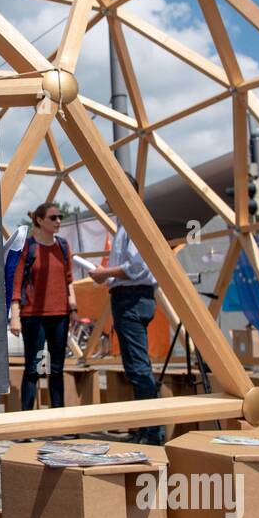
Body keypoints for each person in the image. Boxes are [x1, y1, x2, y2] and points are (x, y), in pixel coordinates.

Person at [89, 181, 162, 444]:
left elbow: (137, 267)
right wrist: (107, 276)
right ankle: (147, 426)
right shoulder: (125, 224)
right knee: (136, 366)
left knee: (139, 368)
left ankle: (153, 431)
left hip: (132, 297)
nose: (108, 200)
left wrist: (104, 273)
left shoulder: (133, 222)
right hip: (129, 296)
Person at [8, 202, 76, 411]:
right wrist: (15, 315)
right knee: (33, 368)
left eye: (59, 217)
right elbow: (17, 282)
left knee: (57, 369)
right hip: (34, 316)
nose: (58, 221)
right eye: (53, 217)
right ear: (39, 220)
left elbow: (69, 279)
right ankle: (26, 419)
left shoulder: (63, 246)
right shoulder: (29, 247)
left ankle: (57, 420)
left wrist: (73, 307)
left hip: (60, 315)